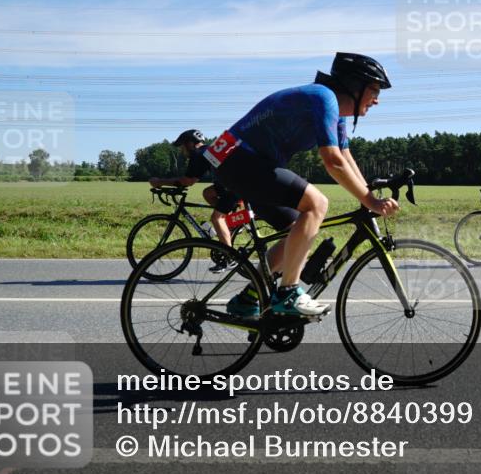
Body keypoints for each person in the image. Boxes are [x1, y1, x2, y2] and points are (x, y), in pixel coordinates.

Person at [210, 52, 398, 319]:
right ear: (355, 86)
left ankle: (250, 297)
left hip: (246, 161)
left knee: (298, 231)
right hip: (236, 158)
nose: (377, 100)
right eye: (374, 90)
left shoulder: (335, 110)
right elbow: (332, 161)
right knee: (317, 204)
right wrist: (370, 202)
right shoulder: (324, 98)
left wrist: (367, 192)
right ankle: (288, 292)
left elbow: (345, 155)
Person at [148, 129, 294, 274]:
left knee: (216, 218)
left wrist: (160, 182)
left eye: (182, 146)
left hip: (236, 184)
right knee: (208, 193)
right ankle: (231, 221)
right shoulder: (208, 151)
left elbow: (188, 181)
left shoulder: (198, 154)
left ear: (190, 144)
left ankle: (229, 257)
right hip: (233, 182)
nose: (182, 151)